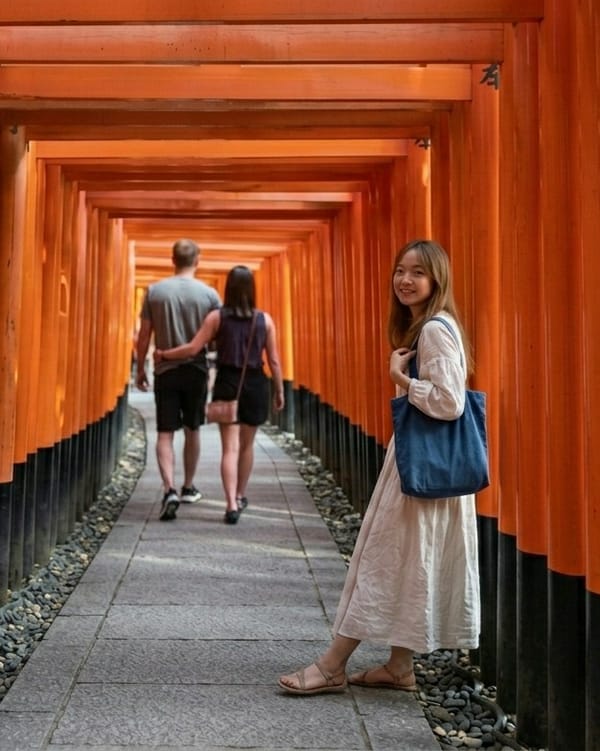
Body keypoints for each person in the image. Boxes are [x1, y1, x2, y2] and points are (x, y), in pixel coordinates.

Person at [278, 239, 480, 695]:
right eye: (400, 271)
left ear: (436, 280)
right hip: (428, 469)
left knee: (381, 559)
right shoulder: (436, 327)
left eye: (417, 273)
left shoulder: (432, 330)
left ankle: (332, 666)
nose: (405, 280)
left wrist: (401, 380)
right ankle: (398, 666)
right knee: (410, 561)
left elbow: (449, 403)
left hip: (419, 469)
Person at [154, 265, 285, 525]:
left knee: (230, 448)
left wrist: (164, 355)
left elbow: (193, 348)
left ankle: (230, 504)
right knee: (247, 447)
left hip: (228, 384)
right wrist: (279, 390)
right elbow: (274, 360)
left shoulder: (217, 318)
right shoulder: (265, 320)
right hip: (256, 384)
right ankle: (240, 494)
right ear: (252, 289)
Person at [136, 238, 221, 522]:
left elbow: (144, 335)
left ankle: (169, 488)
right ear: (197, 261)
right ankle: (188, 486)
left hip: (164, 371)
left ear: (172, 260)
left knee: (164, 432)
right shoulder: (209, 295)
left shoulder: (154, 292)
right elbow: (218, 334)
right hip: (196, 370)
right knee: (193, 429)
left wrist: (140, 369)